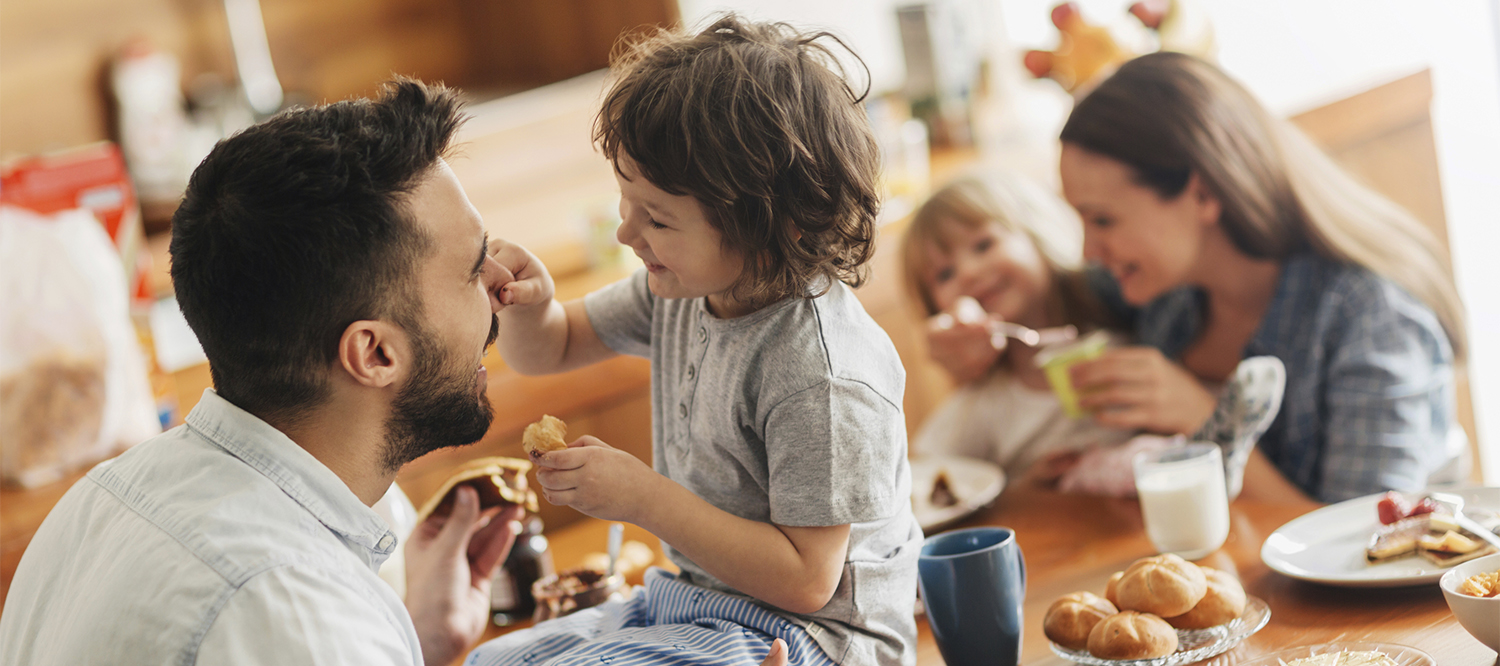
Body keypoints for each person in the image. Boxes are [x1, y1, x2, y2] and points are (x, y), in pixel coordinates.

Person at [0, 77, 794, 666]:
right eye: (472, 267)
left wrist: (413, 640)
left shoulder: (104, 500)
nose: (499, 287)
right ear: (374, 353)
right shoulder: (287, 610)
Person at [471, 15, 920, 666]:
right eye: (626, 202)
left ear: (772, 223)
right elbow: (550, 349)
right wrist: (528, 304)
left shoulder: (820, 372)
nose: (627, 234)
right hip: (697, 603)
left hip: (812, 640)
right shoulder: (681, 290)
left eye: (656, 217)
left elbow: (807, 579)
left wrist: (642, 498)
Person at [1056, 52, 1467, 503]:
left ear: (1202, 193)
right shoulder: (1166, 289)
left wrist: (1205, 418)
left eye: (1102, 220)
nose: (1088, 251)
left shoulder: (1370, 317)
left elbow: (1362, 543)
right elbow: (1056, 291)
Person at [900, 170, 1135, 483]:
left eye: (983, 245)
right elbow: (922, 482)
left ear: (1037, 234)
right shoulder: (983, 406)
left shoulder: (1131, 334)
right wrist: (1020, 490)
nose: (968, 272)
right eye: (944, 274)